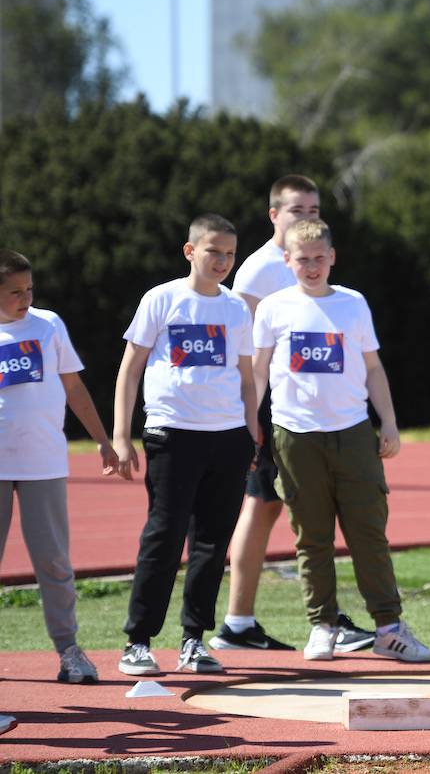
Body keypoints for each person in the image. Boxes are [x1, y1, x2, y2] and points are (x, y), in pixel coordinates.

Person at [253, 218, 430, 663]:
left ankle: (389, 628)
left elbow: (372, 368)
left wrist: (388, 422)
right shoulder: (273, 308)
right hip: (294, 436)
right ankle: (322, 625)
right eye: (303, 260)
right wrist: (246, 426)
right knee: (312, 538)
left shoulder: (353, 304)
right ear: (287, 260)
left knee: (368, 534)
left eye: (319, 258)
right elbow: (257, 372)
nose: (311, 267)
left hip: (353, 433)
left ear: (332, 257)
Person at [211, 174, 374, 654]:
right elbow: (244, 346)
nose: (308, 217)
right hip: (274, 408)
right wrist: (247, 413)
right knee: (264, 506)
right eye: (298, 210)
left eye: (314, 209)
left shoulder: (307, 259)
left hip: (302, 409)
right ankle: (243, 621)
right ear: (273, 215)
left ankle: (242, 622)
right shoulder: (262, 270)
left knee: (271, 507)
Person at [113, 214, 258, 676]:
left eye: (230, 253)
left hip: (229, 437)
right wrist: (120, 435)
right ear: (190, 251)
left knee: (213, 543)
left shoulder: (235, 308)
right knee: (164, 534)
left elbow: (247, 377)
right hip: (172, 432)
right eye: (214, 251)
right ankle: (138, 642)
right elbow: (130, 369)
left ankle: (194, 640)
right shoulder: (162, 298)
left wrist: (250, 433)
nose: (223, 261)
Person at [0, 249, 117, 684]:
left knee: (53, 562)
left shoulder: (49, 326)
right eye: (14, 291)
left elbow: (74, 386)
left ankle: (69, 651)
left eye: (29, 288)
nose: (25, 297)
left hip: (44, 462)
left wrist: (103, 441)